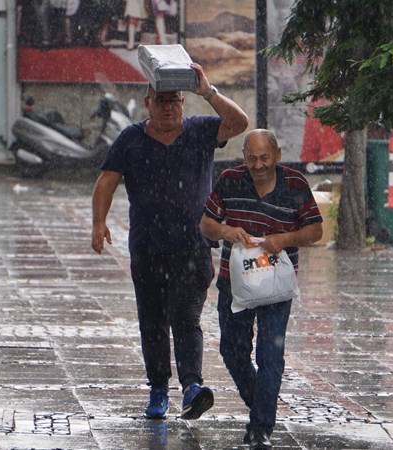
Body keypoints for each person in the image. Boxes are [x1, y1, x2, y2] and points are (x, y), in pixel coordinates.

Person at [91, 63, 249, 420]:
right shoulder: (131, 138)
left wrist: (207, 91)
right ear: (147, 102)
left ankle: (192, 386)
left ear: (182, 102)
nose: (168, 107)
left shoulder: (200, 130)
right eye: (160, 101)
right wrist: (98, 223)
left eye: (175, 101)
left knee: (186, 316)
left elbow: (240, 124)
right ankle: (159, 387)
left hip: (194, 246)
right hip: (147, 247)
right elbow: (106, 181)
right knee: (152, 320)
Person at [199, 129, 323, 449]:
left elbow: (316, 230)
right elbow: (206, 223)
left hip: (277, 288)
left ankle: (260, 427)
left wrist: (284, 239)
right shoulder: (229, 179)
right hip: (233, 283)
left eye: (264, 157)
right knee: (232, 351)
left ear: (277, 155)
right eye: (251, 158)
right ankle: (260, 403)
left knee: (271, 355)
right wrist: (226, 231)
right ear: (244, 157)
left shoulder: (295, 184)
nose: (258, 164)